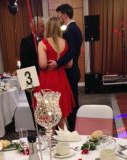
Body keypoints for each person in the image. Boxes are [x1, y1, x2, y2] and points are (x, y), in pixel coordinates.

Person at [35, 16, 75, 129]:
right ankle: (63, 140)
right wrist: (58, 63)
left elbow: (42, 65)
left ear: (47, 28)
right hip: (61, 79)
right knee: (61, 115)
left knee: (49, 115)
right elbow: (69, 64)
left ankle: (50, 141)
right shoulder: (65, 43)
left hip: (47, 80)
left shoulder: (43, 43)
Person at [48, 3, 83, 131]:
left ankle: (75, 130)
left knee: (72, 104)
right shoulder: (74, 28)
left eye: (59, 16)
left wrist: (57, 63)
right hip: (73, 70)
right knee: (73, 103)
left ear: (64, 14)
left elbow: (72, 52)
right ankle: (74, 129)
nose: (58, 19)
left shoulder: (70, 30)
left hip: (71, 71)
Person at [20, 16, 45, 126]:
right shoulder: (25, 41)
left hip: (44, 76)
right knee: (34, 105)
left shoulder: (46, 40)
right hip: (29, 76)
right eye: (42, 26)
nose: (44, 28)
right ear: (35, 27)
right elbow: (24, 61)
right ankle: (38, 128)